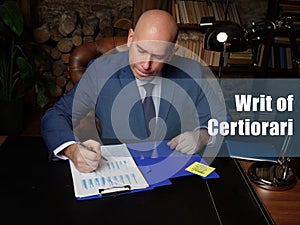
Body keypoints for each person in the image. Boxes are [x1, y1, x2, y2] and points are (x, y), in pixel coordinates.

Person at [41, 9, 217, 173]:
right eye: (141, 50)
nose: (146, 65)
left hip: (172, 174)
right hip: (118, 174)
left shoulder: (192, 72)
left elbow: (224, 121)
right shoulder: (100, 71)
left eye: (158, 56)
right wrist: (72, 149)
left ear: (171, 53)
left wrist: (203, 135)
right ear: (131, 38)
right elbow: (56, 115)